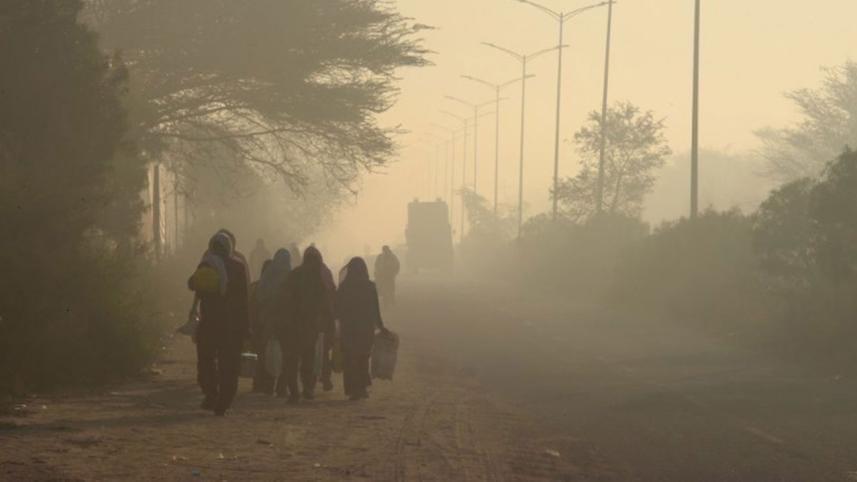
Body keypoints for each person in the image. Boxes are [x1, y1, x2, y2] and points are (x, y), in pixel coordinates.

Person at [192, 232, 249, 415]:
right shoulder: (238, 267)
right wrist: (246, 326)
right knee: (229, 364)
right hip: (232, 323)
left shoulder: (207, 263)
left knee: (206, 360)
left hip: (209, 321)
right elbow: (244, 299)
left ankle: (211, 394)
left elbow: (192, 284)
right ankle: (224, 402)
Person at [278, 247, 330, 403]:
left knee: (292, 359)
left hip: (293, 325)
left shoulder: (294, 274)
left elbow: (284, 299)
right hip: (308, 325)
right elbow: (324, 303)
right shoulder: (317, 278)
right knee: (308, 358)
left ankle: (294, 392)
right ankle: (307, 388)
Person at [337, 257, 388, 400]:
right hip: (365, 328)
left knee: (350, 359)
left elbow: (337, 308)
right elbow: (375, 309)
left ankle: (353, 389)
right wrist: (381, 326)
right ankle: (362, 388)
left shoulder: (344, 287)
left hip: (348, 329)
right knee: (363, 357)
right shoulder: (369, 286)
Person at [254, 249, 292, 396]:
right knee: (283, 352)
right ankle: (279, 385)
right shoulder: (290, 276)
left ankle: (270, 385)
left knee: (269, 351)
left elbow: (260, 296)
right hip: (282, 320)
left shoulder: (269, 276)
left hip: (271, 318)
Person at [304, 246, 337, 392]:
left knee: (308, 352)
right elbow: (332, 292)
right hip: (324, 318)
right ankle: (325, 377)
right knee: (323, 351)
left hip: (307, 320)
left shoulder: (300, 273)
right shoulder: (325, 272)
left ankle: (310, 384)